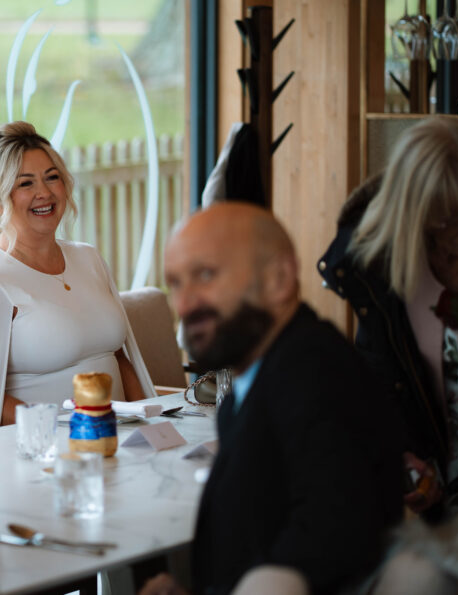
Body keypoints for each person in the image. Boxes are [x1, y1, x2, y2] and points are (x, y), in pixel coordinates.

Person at [152, 203, 401, 595]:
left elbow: (335, 532)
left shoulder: (314, 371)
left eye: (206, 275)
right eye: (176, 284)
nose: (185, 304)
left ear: (278, 280)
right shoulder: (255, 379)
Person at [319, 117, 458, 520]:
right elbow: (379, 387)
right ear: (415, 215)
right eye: (451, 219)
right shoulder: (380, 274)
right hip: (448, 506)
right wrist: (402, 454)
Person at [0, 121, 156, 434]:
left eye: (52, 177)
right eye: (26, 184)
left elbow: (118, 357)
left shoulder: (89, 259)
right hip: (39, 448)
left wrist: (150, 428)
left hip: (118, 440)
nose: (45, 193)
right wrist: (68, 429)